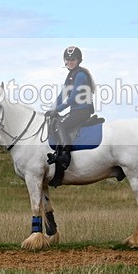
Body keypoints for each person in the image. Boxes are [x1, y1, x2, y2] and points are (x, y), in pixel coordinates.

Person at [46, 46, 96, 183]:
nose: (70, 62)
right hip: (75, 111)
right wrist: (51, 109)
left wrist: (58, 110)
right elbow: (62, 94)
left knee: (60, 125)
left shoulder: (80, 75)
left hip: (82, 111)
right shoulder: (71, 76)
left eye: (73, 59)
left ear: (79, 60)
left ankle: (64, 156)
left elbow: (73, 98)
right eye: (68, 60)